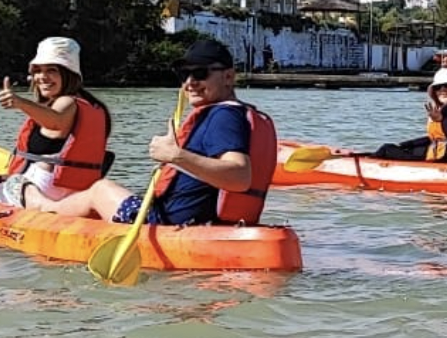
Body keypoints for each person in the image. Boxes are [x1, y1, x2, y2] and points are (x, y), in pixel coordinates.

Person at [40, 38, 279, 226]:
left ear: (228, 77)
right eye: (183, 74)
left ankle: (42, 211)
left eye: (200, 73)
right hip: (205, 221)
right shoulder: (237, 113)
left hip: (166, 222)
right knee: (105, 193)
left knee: (100, 190)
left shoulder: (222, 116)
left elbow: (239, 176)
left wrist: (174, 155)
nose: (189, 82)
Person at [0, 35, 112, 209]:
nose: (42, 77)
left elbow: (56, 120)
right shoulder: (92, 105)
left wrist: (20, 103)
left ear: (68, 74)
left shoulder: (67, 102)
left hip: (44, 187)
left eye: (51, 70)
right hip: (76, 191)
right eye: (38, 70)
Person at [371, 65, 447, 162]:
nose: (442, 90)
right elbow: (435, 139)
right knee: (400, 149)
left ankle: (364, 162)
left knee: (386, 149)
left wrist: (441, 117)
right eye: (438, 87)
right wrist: (406, 145)